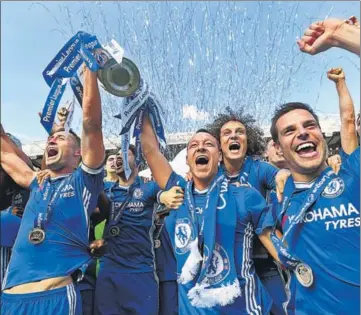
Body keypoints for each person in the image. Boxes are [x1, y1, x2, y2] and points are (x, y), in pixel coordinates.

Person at [140, 114, 280, 314]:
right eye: (193, 145)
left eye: (209, 144)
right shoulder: (178, 194)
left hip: (242, 308)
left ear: (220, 157)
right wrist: (138, 102)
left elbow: (278, 248)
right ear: (188, 160)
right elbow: (150, 150)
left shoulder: (245, 195)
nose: (201, 147)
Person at [0, 66, 105, 315]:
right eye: (50, 139)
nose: (52, 140)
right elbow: (4, 153)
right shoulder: (37, 181)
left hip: (55, 298)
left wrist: (90, 70)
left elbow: (91, 124)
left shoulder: (84, 183)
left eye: (61, 138)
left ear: (79, 153)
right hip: (10, 301)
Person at [265, 102, 359, 314]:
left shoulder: (352, 176)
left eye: (310, 126)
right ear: (278, 148)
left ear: (321, 135)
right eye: (290, 130)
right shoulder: (279, 196)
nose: (303, 133)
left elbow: (348, 120)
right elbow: (273, 238)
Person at [206, 107, 287, 315]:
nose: (234, 135)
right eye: (227, 133)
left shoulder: (260, 168)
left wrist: (284, 174)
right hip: (229, 266)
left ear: (247, 139)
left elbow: (283, 180)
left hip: (263, 261)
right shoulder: (211, 174)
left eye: (240, 132)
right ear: (219, 144)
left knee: (284, 309)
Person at [94, 145, 180, 315]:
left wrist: (168, 196)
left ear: (138, 162)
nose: (119, 158)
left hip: (141, 271)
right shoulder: (106, 190)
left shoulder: (150, 188)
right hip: (109, 271)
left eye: (125, 154)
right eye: (117, 155)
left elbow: (163, 195)